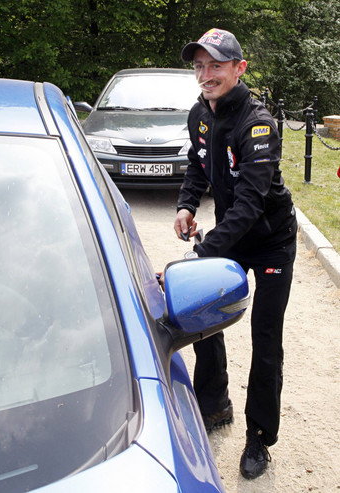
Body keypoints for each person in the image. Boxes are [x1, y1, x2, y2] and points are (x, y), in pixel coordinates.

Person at [175, 28, 297, 480]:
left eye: (216, 66)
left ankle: (259, 439)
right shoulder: (199, 114)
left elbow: (249, 203)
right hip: (231, 236)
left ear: (239, 68)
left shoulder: (258, 123)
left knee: (266, 341)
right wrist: (188, 202)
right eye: (200, 66)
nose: (206, 75)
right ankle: (215, 404)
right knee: (205, 316)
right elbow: (198, 159)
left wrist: (201, 252)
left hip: (271, 241)